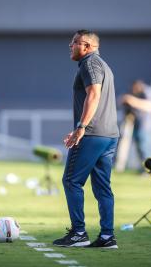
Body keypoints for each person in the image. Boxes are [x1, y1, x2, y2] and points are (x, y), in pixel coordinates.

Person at [53, 30, 119, 248]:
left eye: (73, 43)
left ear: (87, 45)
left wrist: (81, 127)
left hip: (92, 133)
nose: (70, 46)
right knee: (102, 188)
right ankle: (107, 237)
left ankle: (78, 233)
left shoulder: (90, 64)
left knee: (71, 180)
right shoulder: (103, 64)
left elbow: (94, 94)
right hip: (109, 135)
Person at [121, 80, 151, 172]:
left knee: (145, 149)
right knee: (140, 149)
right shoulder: (137, 93)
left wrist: (131, 100)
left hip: (145, 127)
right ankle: (144, 169)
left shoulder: (147, 92)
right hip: (136, 126)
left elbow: (150, 106)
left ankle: (150, 170)